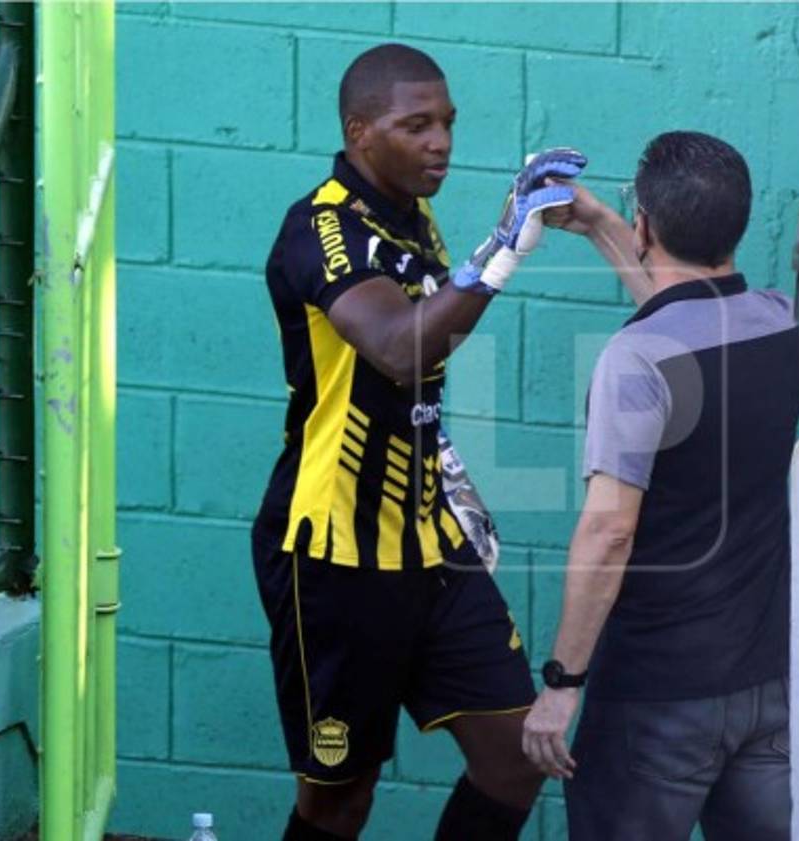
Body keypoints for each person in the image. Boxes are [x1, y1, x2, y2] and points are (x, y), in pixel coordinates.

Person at [250, 43, 586, 841]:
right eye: (416, 126)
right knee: (340, 798)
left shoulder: (410, 215)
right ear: (359, 131)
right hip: (336, 552)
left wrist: (441, 460)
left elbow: (426, 356)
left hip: (432, 543)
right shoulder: (322, 227)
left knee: (516, 754)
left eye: (447, 123)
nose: (441, 142)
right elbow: (400, 347)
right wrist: (502, 249)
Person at [523, 131, 799, 841]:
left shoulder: (636, 361)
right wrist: (599, 223)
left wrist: (561, 685)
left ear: (647, 225)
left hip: (657, 698)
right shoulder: (781, 324)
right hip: (768, 689)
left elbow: (609, 530)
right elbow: (685, 313)